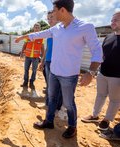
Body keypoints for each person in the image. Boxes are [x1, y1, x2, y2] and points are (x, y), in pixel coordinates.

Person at [15, 0, 103, 138]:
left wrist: (91, 73)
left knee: (68, 103)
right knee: (51, 98)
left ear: (62, 10)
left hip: (69, 75)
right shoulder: (57, 28)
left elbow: (97, 51)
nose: (52, 13)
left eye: (54, 10)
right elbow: (40, 34)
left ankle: (73, 127)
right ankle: (49, 121)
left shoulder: (85, 27)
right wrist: (23, 37)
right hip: (54, 72)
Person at [81, 11, 120, 131]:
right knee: (100, 95)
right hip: (102, 73)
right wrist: (94, 71)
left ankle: (106, 120)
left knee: (115, 100)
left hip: (117, 76)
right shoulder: (109, 37)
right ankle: (94, 115)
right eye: (112, 19)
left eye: (116, 20)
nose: (112, 22)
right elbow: (101, 56)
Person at [38, 11, 62, 110]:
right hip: (48, 61)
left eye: (51, 17)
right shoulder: (49, 31)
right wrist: (42, 61)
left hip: (57, 62)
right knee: (49, 84)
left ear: (58, 17)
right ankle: (48, 104)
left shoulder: (62, 31)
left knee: (58, 86)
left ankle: (58, 106)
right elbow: (48, 48)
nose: (49, 20)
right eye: (48, 18)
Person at [20, 23, 44, 90]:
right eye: (35, 27)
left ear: (40, 29)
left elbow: (42, 48)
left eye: (38, 27)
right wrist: (22, 52)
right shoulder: (29, 36)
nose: (36, 28)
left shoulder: (41, 37)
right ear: (33, 28)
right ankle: (25, 82)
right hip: (27, 56)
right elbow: (24, 45)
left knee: (34, 70)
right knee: (26, 69)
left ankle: (31, 82)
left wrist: (43, 57)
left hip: (36, 57)